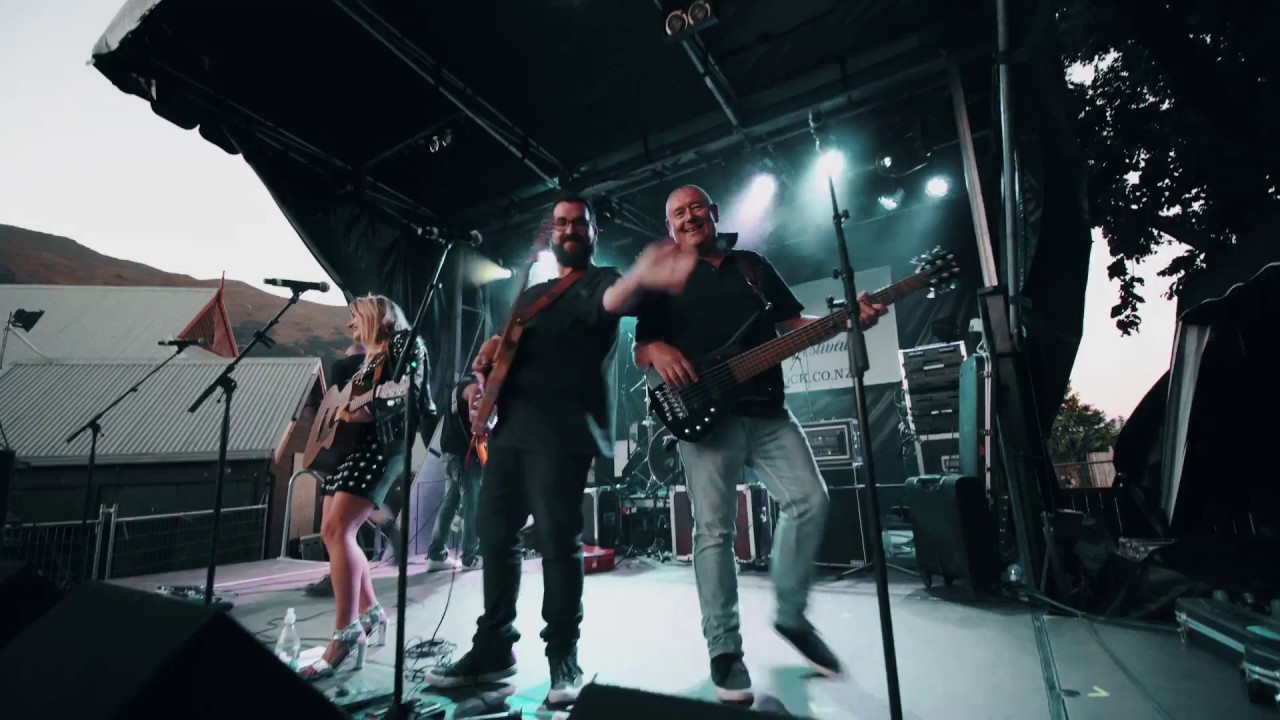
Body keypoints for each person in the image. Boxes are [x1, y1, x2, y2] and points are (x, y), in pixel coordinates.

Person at [603, 185, 887, 703]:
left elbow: (791, 324)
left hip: (768, 411)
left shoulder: (751, 266)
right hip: (704, 417)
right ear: (669, 227)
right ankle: (725, 651)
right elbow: (640, 345)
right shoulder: (667, 274)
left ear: (714, 213)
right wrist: (657, 349)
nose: (689, 217)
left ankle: (791, 616)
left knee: (810, 500)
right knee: (714, 532)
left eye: (696, 208)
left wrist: (848, 320)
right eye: (678, 213)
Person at [423, 192, 693, 707]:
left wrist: (644, 274)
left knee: (557, 543)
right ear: (551, 233)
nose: (569, 229)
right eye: (561, 222)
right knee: (494, 537)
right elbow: (499, 358)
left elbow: (618, 301)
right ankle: (493, 649)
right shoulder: (529, 297)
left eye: (579, 223)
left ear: (593, 232)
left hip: (563, 434)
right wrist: (478, 383)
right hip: (510, 433)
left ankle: (563, 656)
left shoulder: (603, 281)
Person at [299, 294, 432, 680]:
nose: (350, 325)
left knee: (338, 530)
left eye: (355, 317)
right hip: (357, 449)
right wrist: (343, 414)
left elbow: (406, 391)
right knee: (333, 531)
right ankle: (370, 612)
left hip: (381, 448)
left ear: (375, 316)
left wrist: (364, 410)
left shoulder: (405, 342)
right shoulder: (371, 360)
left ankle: (346, 631)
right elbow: (348, 407)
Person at [426, 373, 484, 571]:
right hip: (463, 456)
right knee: (471, 504)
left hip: (450, 454)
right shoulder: (474, 388)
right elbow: (477, 420)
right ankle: (470, 557)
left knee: (449, 503)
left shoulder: (457, 387)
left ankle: (436, 555)